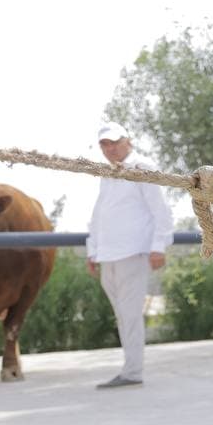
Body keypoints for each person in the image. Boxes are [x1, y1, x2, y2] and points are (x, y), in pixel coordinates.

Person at [86, 122, 174, 388]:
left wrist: (159, 246)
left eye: (114, 142)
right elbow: (100, 214)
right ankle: (130, 368)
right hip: (109, 256)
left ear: (128, 141)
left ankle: (133, 372)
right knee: (122, 315)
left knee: (130, 314)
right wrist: (93, 251)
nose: (110, 148)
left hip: (133, 253)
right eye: (105, 144)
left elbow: (162, 210)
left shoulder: (142, 168)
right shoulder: (107, 173)